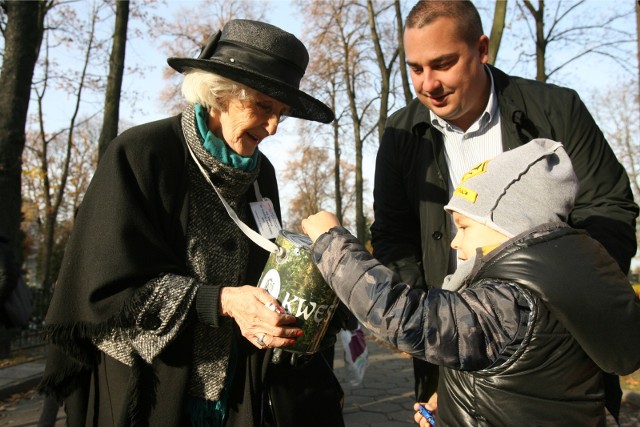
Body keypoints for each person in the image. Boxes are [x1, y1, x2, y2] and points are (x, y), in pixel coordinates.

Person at [39, 19, 346, 427]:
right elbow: (105, 292)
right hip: (148, 388)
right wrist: (220, 301)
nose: (273, 128)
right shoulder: (142, 153)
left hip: (234, 393)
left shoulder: (261, 175)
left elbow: (264, 271)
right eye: (264, 107)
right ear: (221, 94)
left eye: (282, 114)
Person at [369, 0, 638, 420]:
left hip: (559, 357)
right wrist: (432, 325)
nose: (428, 84)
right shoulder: (401, 135)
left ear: (481, 48)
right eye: (415, 68)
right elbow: (392, 237)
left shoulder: (557, 109)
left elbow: (610, 209)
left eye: (442, 64)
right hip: (448, 355)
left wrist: (552, 309)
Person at [302, 139, 640, 426]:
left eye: (463, 227)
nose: (454, 242)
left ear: (509, 226)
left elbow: (404, 317)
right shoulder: (558, 282)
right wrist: (452, 401)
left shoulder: (513, 301)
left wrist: (333, 243)